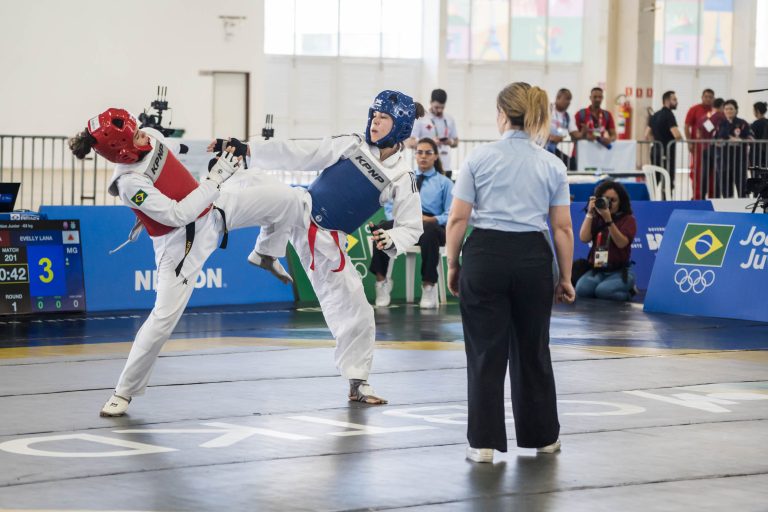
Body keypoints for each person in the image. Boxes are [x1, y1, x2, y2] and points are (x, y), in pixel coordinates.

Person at [69, 108, 301, 417]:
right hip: (179, 245)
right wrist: (215, 178)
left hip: (214, 207)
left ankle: (265, 253)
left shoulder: (149, 137)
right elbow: (177, 215)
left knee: (288, 200)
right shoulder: (130, 184)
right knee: (163, 319)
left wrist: (215, 148)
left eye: (139, 130)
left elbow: (176, 149)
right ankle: (123, 392)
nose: (143, 136)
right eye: (136, 136)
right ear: (121, 151)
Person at [223, 90, 424, 404]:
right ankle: (238, 236)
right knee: (258, 185)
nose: (375, 121)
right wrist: (249, 148)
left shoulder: (401, 175)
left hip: (327, 242)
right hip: (300, 207)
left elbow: (412, 226)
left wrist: (392, 239)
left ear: (400, 125)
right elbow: (303, 152)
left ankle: (358, 382)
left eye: (384, 118)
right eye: (374, 115)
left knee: (357, 308)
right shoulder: (352, 143)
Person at [445, 82, 575, 463]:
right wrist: (565, 277)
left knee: (486, 352)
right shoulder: (551, 163)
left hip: (486, 255)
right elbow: (563, 227)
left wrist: (454, 264)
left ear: (502, 114)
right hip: (533, 258)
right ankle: (544, 437)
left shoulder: (478, 159)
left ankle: (483, 445)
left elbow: (457, 220)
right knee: (533, 349)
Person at [369, 137, 453, 308]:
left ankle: (428, 286)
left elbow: (450, 214)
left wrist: (433, 219)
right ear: (415, 155)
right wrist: (401, 219)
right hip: (405, 221)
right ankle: (381, 282)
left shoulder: (444, 183)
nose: (423, 156)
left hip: (432, 226)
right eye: (419, 152)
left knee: (428, 229)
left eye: (428, 153)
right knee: (382, 228)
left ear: (435, 156)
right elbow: (390, 206)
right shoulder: (405, 178)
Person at [575, 180, 637, 301]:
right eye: (606, 199)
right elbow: (583, 238)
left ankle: (630, 291)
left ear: (620, 203)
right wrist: (589, 214)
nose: (609, 203)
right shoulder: (596, 218)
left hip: (620, 271)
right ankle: (604, 288)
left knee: (602, 291)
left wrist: (608, 220)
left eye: (613, 200)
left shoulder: (628, 220)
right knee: (581, 290)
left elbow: (621, 243)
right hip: (598, 270)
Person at [407, 88, 459, 172]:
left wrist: (450, 142)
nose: (439, 110)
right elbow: (409, 143)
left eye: (442, 107)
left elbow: (456, 142)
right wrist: (430, 142)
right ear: (430, 102)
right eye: (437, 107)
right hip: (426, 167)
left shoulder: (449, 119)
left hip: (445, 167)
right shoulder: (421, 119)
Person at [645, 90, 683, 195]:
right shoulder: (669, 115)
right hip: (667, 152)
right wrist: (681, 138)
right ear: (667, 101)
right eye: (674, 99)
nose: (677, 102)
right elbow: (676, 134)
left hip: (655, 151)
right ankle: (666, 201)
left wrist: (656, 141)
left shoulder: (655, 115)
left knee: (655, 178)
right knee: (667, 180)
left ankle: (650, 200)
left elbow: (647, 133)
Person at [715, 99, 752, 198]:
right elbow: (715, 140)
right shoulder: (720, 124)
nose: (728, 111)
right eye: (726, 109)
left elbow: (751, 138)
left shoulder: (742, 123)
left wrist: (739, 140)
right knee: (726, 190)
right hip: (723, 161)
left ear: (736, 110)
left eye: (731, 108)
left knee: (742, 188)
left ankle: (744, 210)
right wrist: (720, 142)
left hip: (739, 161)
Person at [571, 87, 617, 166]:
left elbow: (614, 135)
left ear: (602, 98)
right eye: (595, 97)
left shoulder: (607, 115)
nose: (597, 99)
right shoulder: (580, 114)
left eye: (600, 97)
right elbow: (573, 137)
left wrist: (609, 139)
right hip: (581, 154)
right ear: (590, 98)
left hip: (599, 155)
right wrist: (585, 136)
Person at [684, 89, 716, 199]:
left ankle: (713, 196)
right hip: (699, 148)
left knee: (713, 172)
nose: (708, 99)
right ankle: (697, 196)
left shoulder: (715, 111)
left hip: (713, 148)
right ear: (702, 97)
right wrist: (689, 142)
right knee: (698, 172)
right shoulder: (694, 109)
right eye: (706, 96)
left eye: (710, 97)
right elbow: (686, 126)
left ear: (713, 98)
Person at [546, 88, 579, 169]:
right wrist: (550, 137)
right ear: (558, 97)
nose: (568, 102)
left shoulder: (568, 116)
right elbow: (535, 128)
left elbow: (574, 133)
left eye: (570, 100)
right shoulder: (546, 109)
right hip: (542, 147)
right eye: (566, 99)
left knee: (571, 165)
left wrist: (585, 133)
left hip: (555, 148)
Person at [750, 102, 768, 168]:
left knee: (755, 176)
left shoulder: (755, 124)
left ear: (757, 111)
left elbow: (750, 138)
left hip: (756, 154)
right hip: (766, 154)